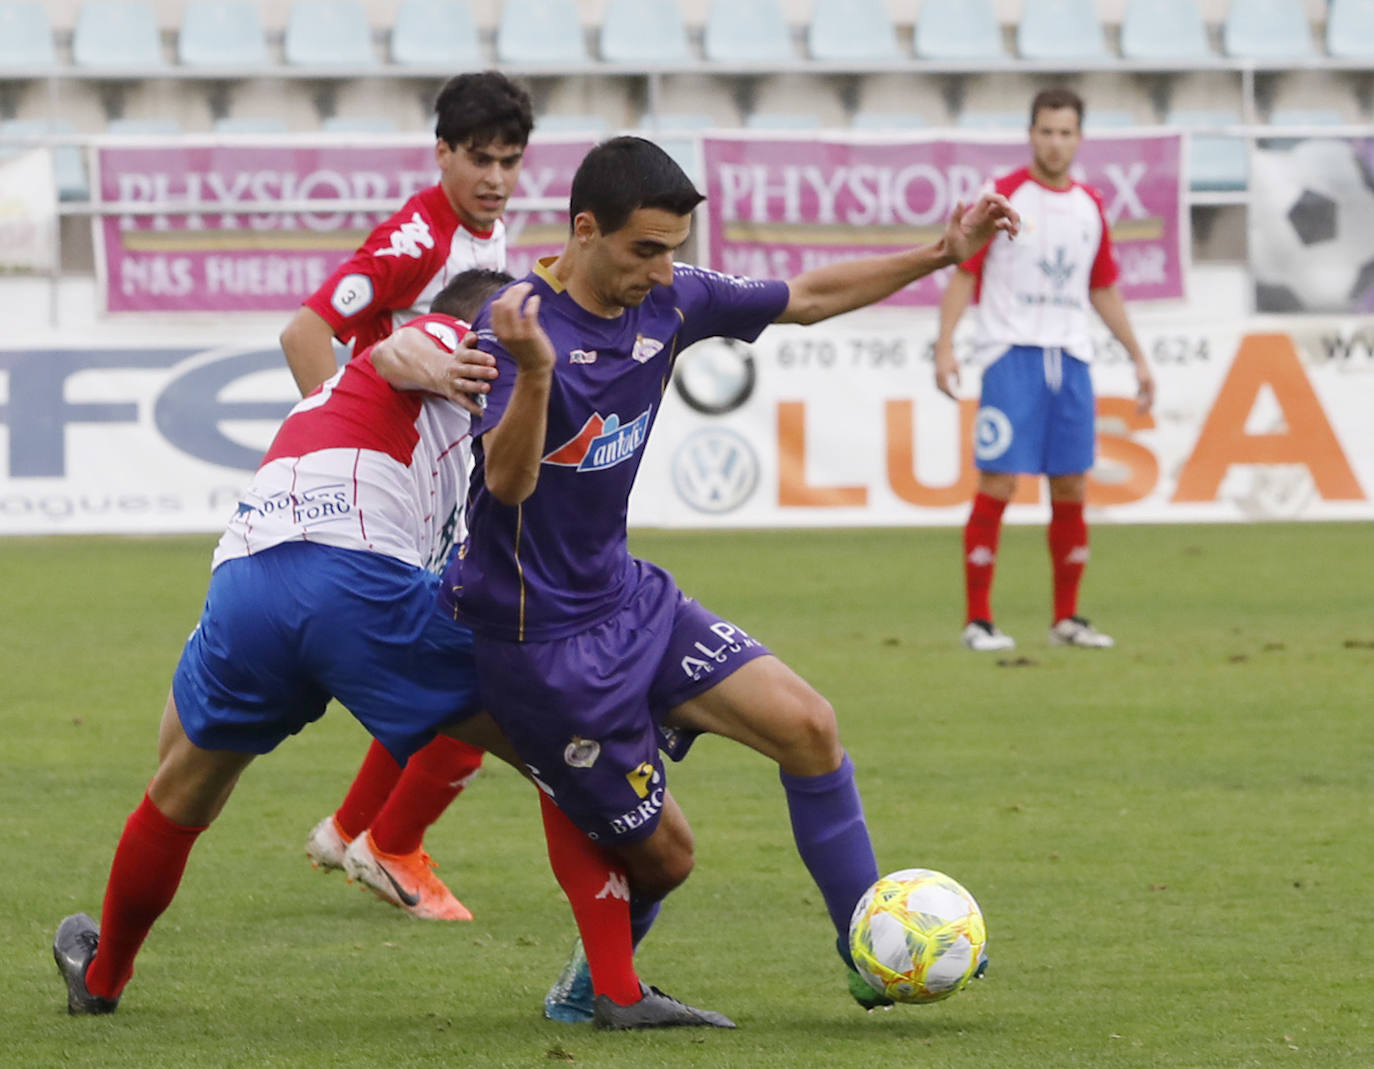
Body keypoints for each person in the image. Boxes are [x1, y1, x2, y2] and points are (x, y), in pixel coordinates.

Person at [442, 136, 1017, 1020]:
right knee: (668, 859)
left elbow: (812, 297)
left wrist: (944, 252)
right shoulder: (513, 326)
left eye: (674, 247)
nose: (664, 268)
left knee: (810, 727)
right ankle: (591, 988)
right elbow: (509, 484)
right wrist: (533, 376)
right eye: (645, 249)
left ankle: (870, 951)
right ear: (584, 230)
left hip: (631, 599)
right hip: (544, 643)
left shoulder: (669, 297)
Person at [52, 270, 700, 1029]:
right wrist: (459, 358)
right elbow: (406, 348)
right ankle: (615, 989)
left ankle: (101, 974)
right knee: (551, 743)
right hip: (353, 578)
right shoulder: (458, 345)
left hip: (244, 584)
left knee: (184, 787)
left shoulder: (364, 415)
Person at [280, 70, 533, 921]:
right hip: (393, 487)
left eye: (510, 160)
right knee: (477, 664)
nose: (495, 178)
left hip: (442, 479)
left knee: (455, 657)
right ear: (442, 155)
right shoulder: (416, 239)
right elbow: (306, 330)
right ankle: (390, 845)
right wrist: (343, 447)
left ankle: (354, 831)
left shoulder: (491, 236)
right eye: (478, 159)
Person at [933, 86, 1155, 653]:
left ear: (1080, 138)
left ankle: (1067, 618)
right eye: (1046, 131)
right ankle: (978, 619)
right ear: (1030, 134)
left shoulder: (1089, 206)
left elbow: (1101, 287)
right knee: (1000, 481)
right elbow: (964, 272)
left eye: (1066, 132)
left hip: (1072, 360)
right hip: (1013, 356)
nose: (1055, 142)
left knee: (1073, 483)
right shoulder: (1003, 196)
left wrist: (1137, 356)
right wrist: (945, 345)